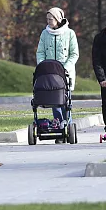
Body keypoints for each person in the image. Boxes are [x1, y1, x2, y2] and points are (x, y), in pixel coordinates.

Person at [36, 7, 79, 137]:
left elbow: (74, 54)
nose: (48, 21)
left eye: (51, 19)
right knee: (54, 100)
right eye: (47, 19)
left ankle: (67, 124)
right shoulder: (45, 33)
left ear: (58, 19)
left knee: (65, 102)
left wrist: (65, 68)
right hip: (49, 73)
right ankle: (59, 126)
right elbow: (40, 52)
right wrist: (43, 66)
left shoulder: (69, 33)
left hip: (65, 73)